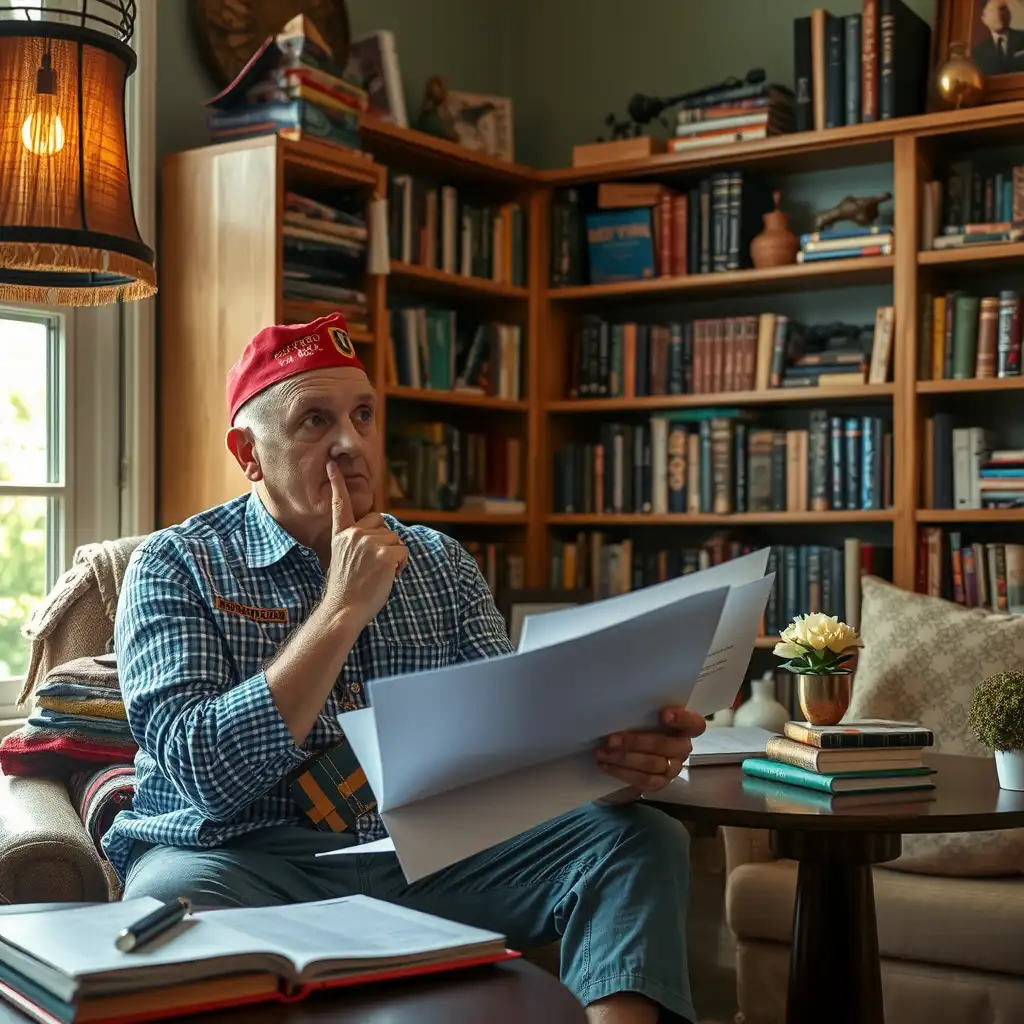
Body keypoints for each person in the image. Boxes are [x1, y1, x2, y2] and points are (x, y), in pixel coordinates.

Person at [106, 313, 707, 1024]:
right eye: (314, 422)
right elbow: (204, 775)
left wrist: (611, 768)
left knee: (639, 840)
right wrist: (340, 609)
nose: (350, 444)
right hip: (241, 859)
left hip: (425, 856)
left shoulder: (441, 563)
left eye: (364, 415)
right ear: (248, 452)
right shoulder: (175, 565)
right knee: (171, 905)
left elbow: (510, 762)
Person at [973, 0, 1024, 75]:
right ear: (984, 20)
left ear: (1009, 13)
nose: (999, 14)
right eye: (992, 11)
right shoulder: (978, 53)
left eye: (1002, 9)